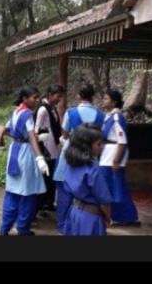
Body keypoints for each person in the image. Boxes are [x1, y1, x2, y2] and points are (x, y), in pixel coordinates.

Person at [53, 83, 104, 234]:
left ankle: (63, 226)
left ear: (78, 96)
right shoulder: (101, 115)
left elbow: (64, 133)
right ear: (93, 97)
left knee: (64, 193)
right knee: (87, 192)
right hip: (91, 155)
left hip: (71, 153)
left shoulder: (71, 112)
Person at [0, 86, 50, 236]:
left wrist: (25, 138)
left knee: (12, 192)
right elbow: (32, 137)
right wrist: (40, 158)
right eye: (34, 97)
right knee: (28, 193)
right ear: (24, 98)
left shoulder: (16, 111)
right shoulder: (28, 114)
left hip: (14, 150)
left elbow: (7, 130)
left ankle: (4, 228)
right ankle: (23, 228)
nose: (37, 100)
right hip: (25, 155)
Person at [99, 88, 140, 226]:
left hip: (113, 155)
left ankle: (124, 216)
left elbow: (122, 141)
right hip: (107, 154)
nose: (103, 101)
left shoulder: (116, 117)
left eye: (106, 98)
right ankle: (115, 215)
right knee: (110, 186)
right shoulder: (108, 116)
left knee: (116, 187)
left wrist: (116, 160)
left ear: (114, 102)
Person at [63, 124, 113, 236]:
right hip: (91, 217)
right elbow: (104, 201)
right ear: (86, 146)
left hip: (74, 212)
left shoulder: (71, 163)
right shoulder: (92, 168)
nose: (102, 147)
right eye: (98, 144)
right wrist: (108, 218)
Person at [34, 84, 65, 212]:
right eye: (58, 96)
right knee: (46, 177)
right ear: (50, 95)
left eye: (61, 96)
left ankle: (48, 202)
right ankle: (42, 204)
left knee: (51, 176)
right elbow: (36, 129)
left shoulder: (52, 109)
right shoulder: (43, 109)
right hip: (46, 149)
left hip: (53, 148)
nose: (60, 99)